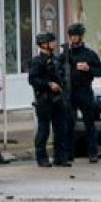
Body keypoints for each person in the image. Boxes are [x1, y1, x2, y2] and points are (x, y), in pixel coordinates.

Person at [63, 23, 101, 163]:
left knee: (89, 123)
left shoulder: (89, 54)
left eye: (75, 36)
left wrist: (88, 68)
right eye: (71, 36)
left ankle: (93, 153)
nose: (73, 39)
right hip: (69, 92)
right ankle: (69, 154)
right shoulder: (65, 54)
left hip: (84, 90)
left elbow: (100, 71)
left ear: (81, 37)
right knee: (69, 123)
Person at [28, 32, 69, 167]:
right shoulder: (37, 61)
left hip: (58, 99)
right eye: (51, 42)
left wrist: (62, 85)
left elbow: (62, 75)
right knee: (44, 130)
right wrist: (49, 84)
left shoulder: (56, 59)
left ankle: (60, 158)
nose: (54, 44)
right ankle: (42, 158)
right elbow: (33, 79)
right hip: (45, 99)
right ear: (44, 44)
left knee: (61, 129)